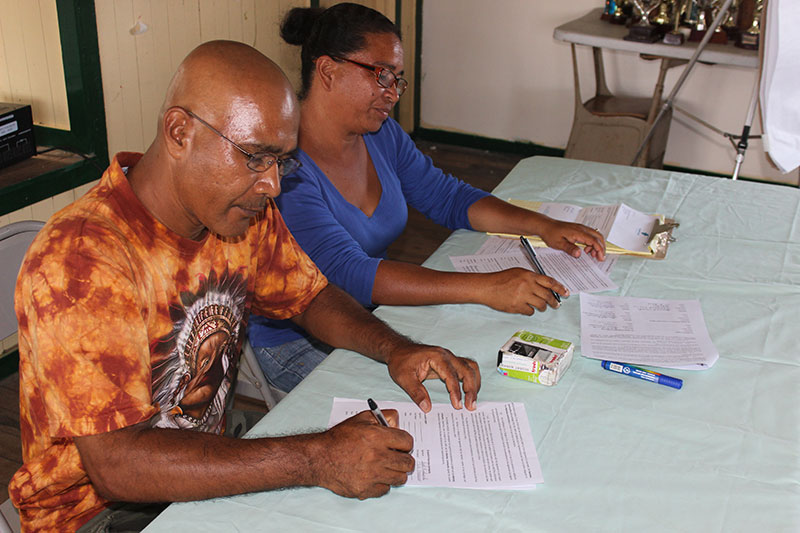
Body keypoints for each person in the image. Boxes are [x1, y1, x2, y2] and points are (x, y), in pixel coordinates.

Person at [9, 40, 480, 532]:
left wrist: (395, 348)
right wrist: (317, 457)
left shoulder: (237, 212)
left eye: (282, 161)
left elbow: (309, 296)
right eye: (256, 156)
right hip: (102, 515)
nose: (273, 184)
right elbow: (118, 468)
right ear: (178, 133)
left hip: (193, 471)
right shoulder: (82, 260)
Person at [247, 3, 606, 395]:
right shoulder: (286, 167)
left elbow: (448, 197)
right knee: (428, 404)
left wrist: (544, 227)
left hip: (372, 317)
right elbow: (352, 274)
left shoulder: (380, 134)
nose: (392, 94)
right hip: (296, 340)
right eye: (382, 75)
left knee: (485, 367)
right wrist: (486, 288)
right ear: (328, 71)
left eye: (398, 80)